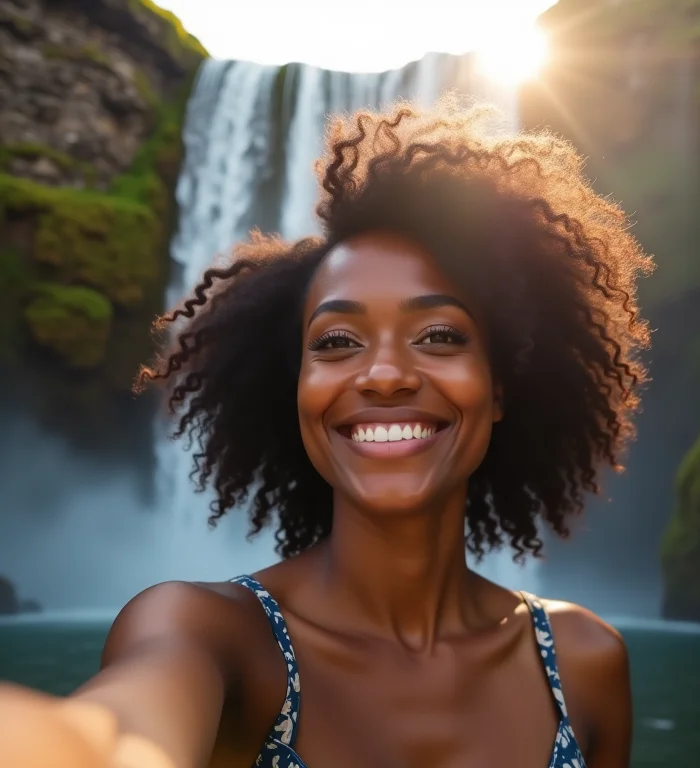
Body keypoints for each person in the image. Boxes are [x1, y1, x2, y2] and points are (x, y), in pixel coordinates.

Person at [0, 99, 651, 768]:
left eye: (440, 335)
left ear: (502, 387)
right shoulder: (210, 634)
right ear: (296, 392)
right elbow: (110, 738)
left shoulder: (584, 664)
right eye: (338, 341)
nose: (386, 374)